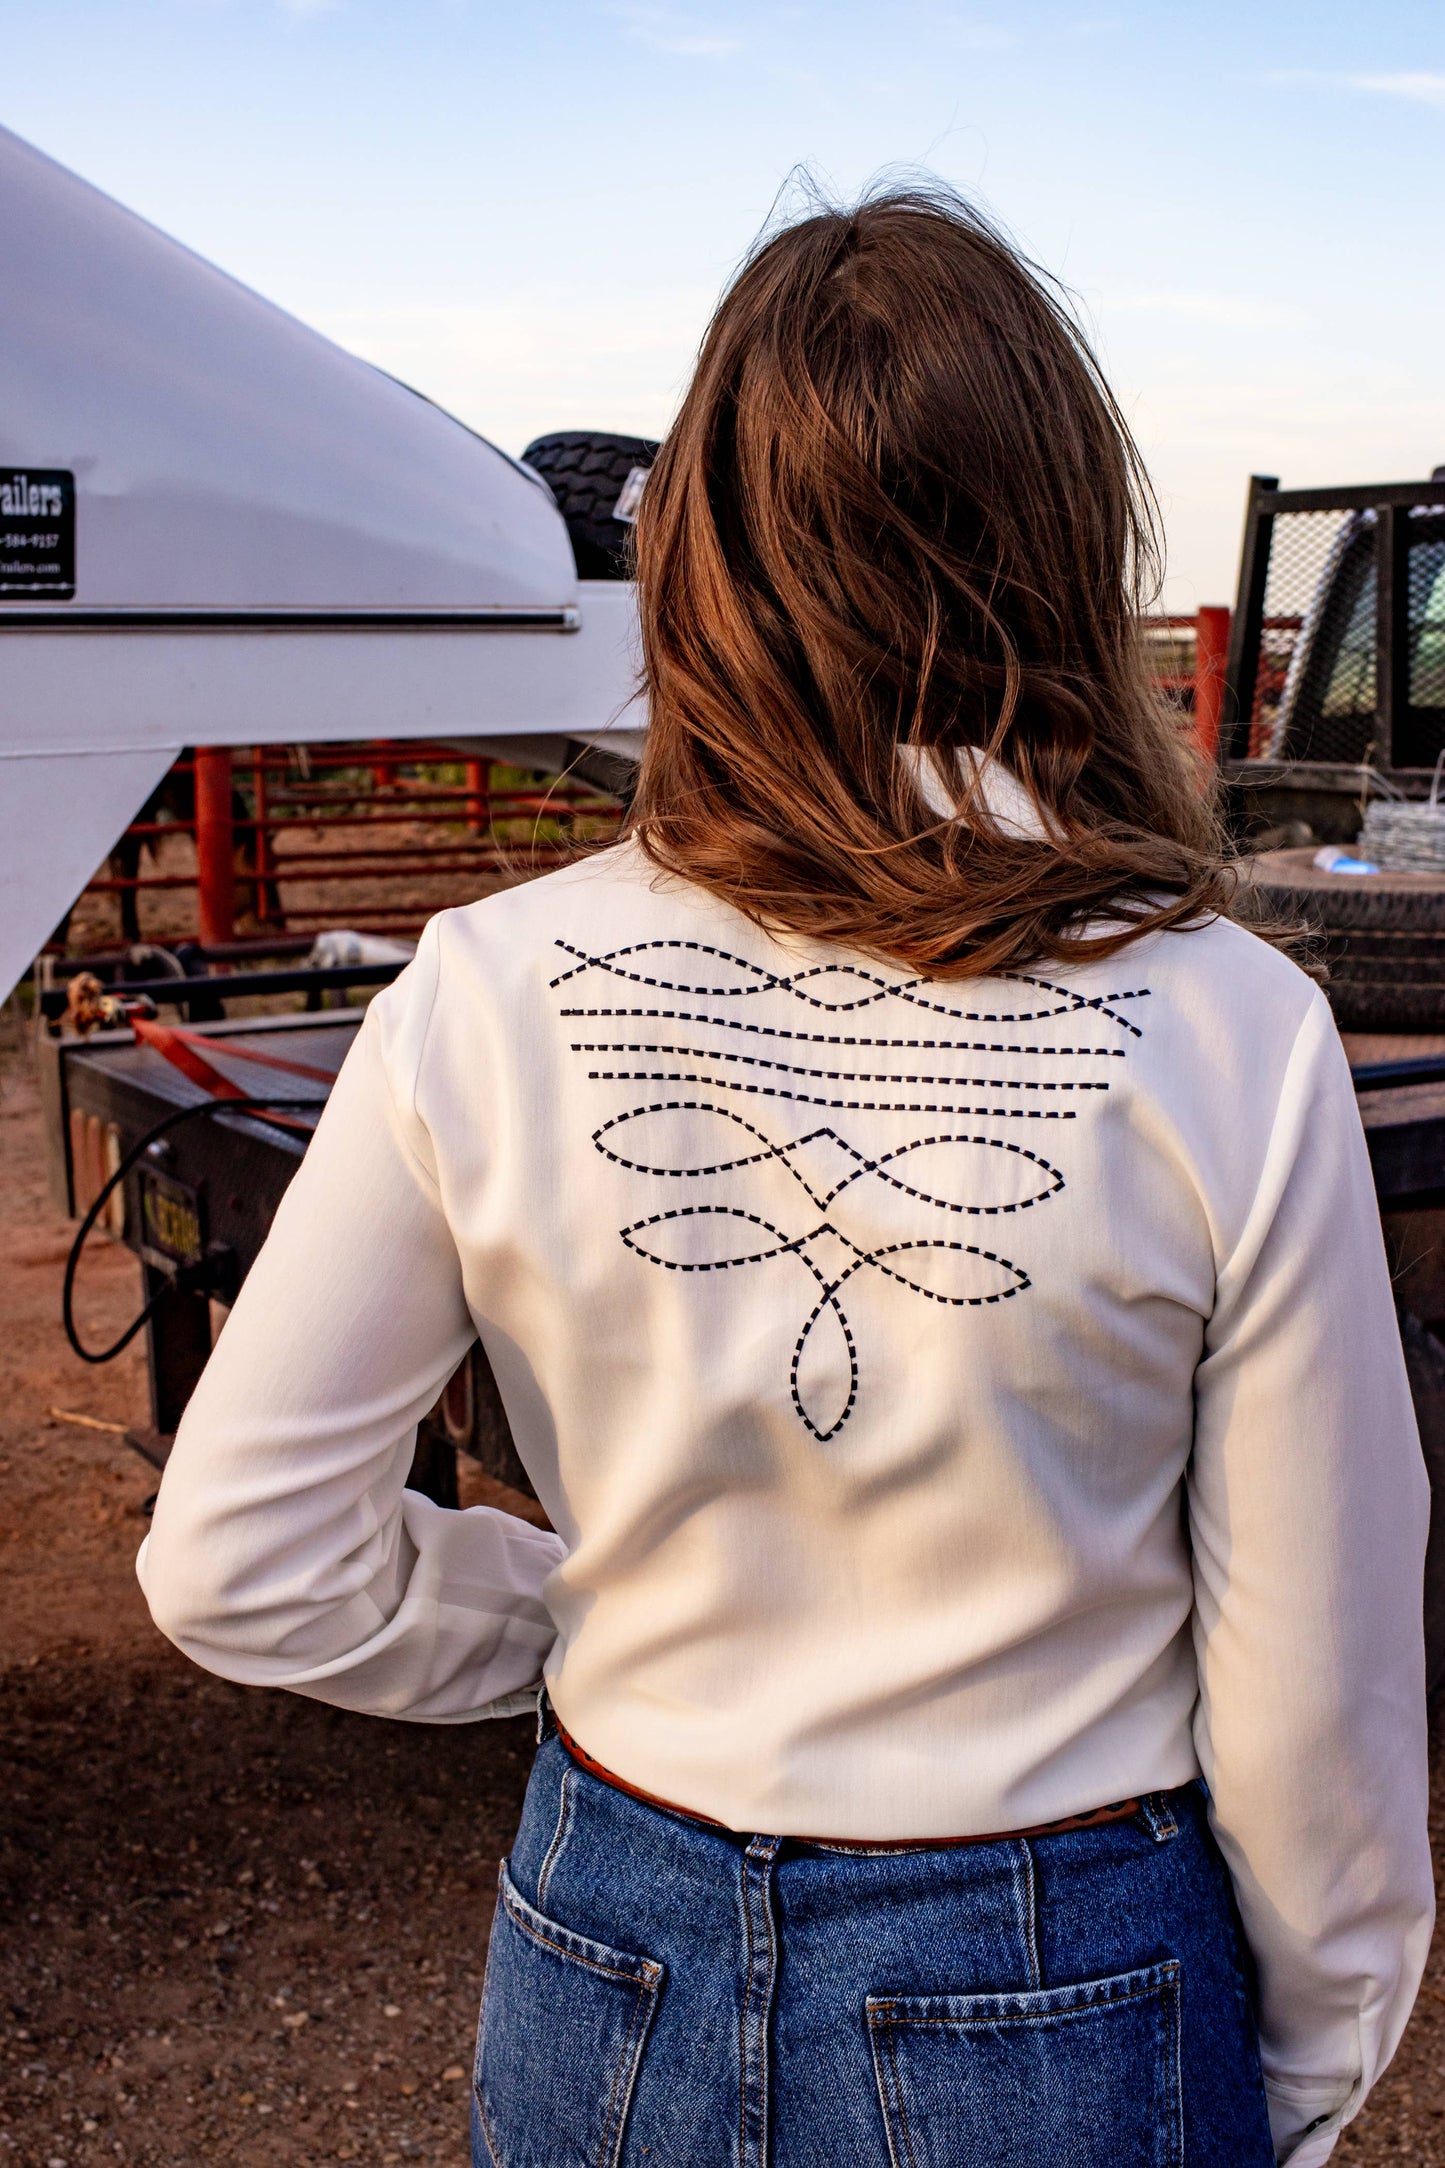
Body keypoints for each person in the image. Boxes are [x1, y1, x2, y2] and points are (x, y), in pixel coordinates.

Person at [137, 187, 1432, 2167]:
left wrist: (577, 1615)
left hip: (606, 1938)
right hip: (1061, 1960)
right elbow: (1312, 1686)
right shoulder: (1229, 1027)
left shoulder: (485, 992)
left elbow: (245, 1562)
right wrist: (1313, 2069)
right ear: (1070, 543)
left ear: (703, 559)